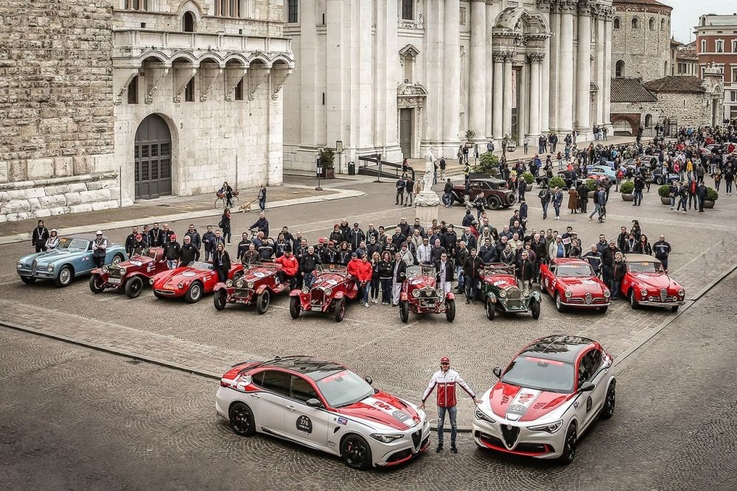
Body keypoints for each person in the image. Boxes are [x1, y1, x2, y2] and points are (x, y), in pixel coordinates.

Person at [420, 357, 481, 454]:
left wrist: (473, 397)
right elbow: (429, 388)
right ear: (440, 365)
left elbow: (464, 385)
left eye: (446, 364)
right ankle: (440, 444)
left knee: (454, 424)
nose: (445, 365)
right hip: (440, 405)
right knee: (440, 425)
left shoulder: (454, 374)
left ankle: (453, 444)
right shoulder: (436, 375)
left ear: (449, 364)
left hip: (452, 404)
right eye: (443, 364)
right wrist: (423, 400)